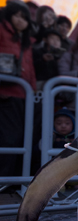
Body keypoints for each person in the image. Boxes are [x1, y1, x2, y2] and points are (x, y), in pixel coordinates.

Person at [0, 0, 36, 178]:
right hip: (5, 92)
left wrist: (33, 90)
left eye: (25, 17)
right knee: (8, 138)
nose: (21, 20)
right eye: (17, 15)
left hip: (21, 95)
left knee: (15, 139)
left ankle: (8, 182)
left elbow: (30, 68)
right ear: (8, 15)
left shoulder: (26, 40)